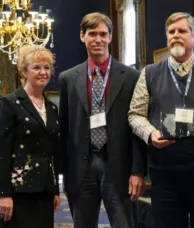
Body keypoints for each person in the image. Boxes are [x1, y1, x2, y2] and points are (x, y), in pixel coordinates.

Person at [128, 12, 194, 228]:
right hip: (164, 172)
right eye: (171, 32)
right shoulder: (149, 74)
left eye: (182, 31)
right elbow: (135, 114)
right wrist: (150, 133)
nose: (175, 35)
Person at [59, 12, 146, 228]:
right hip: (81, 166)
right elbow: (64, 127)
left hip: (119, 164)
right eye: (92, 34)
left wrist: (137, 170)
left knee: (124, 223)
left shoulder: (132, 77)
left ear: (110, 37)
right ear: (82, 36)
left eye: (103, 34)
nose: (98, 39)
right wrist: (63, 173)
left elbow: (137, 126)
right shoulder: (68, 79)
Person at [0, 45, 61, 228]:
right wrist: (3, 194)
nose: (43, 72)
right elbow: (2, 151)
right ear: (24, 72)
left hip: (45, 191)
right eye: (36, 67)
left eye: (47, 68)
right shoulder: (9, 104)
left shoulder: (51, 108)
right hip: (18, 191)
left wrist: (55, 189)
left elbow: (52, 152)